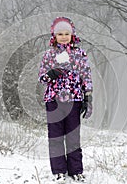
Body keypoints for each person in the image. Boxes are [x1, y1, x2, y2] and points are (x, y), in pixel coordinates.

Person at [38, 17, 93, 183]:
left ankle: (76, 171)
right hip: (54, 100)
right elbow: (41, 78)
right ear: (54, 36)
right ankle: (59, 171)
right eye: (60, 33)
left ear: (72, 34)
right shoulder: (49, 55)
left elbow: (86, 77)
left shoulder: (79, 54)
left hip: (74, 100)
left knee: (73, 137)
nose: (63, 36)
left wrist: (88, 98)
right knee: (55, 137)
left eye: (66, 33)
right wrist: (50, 74)